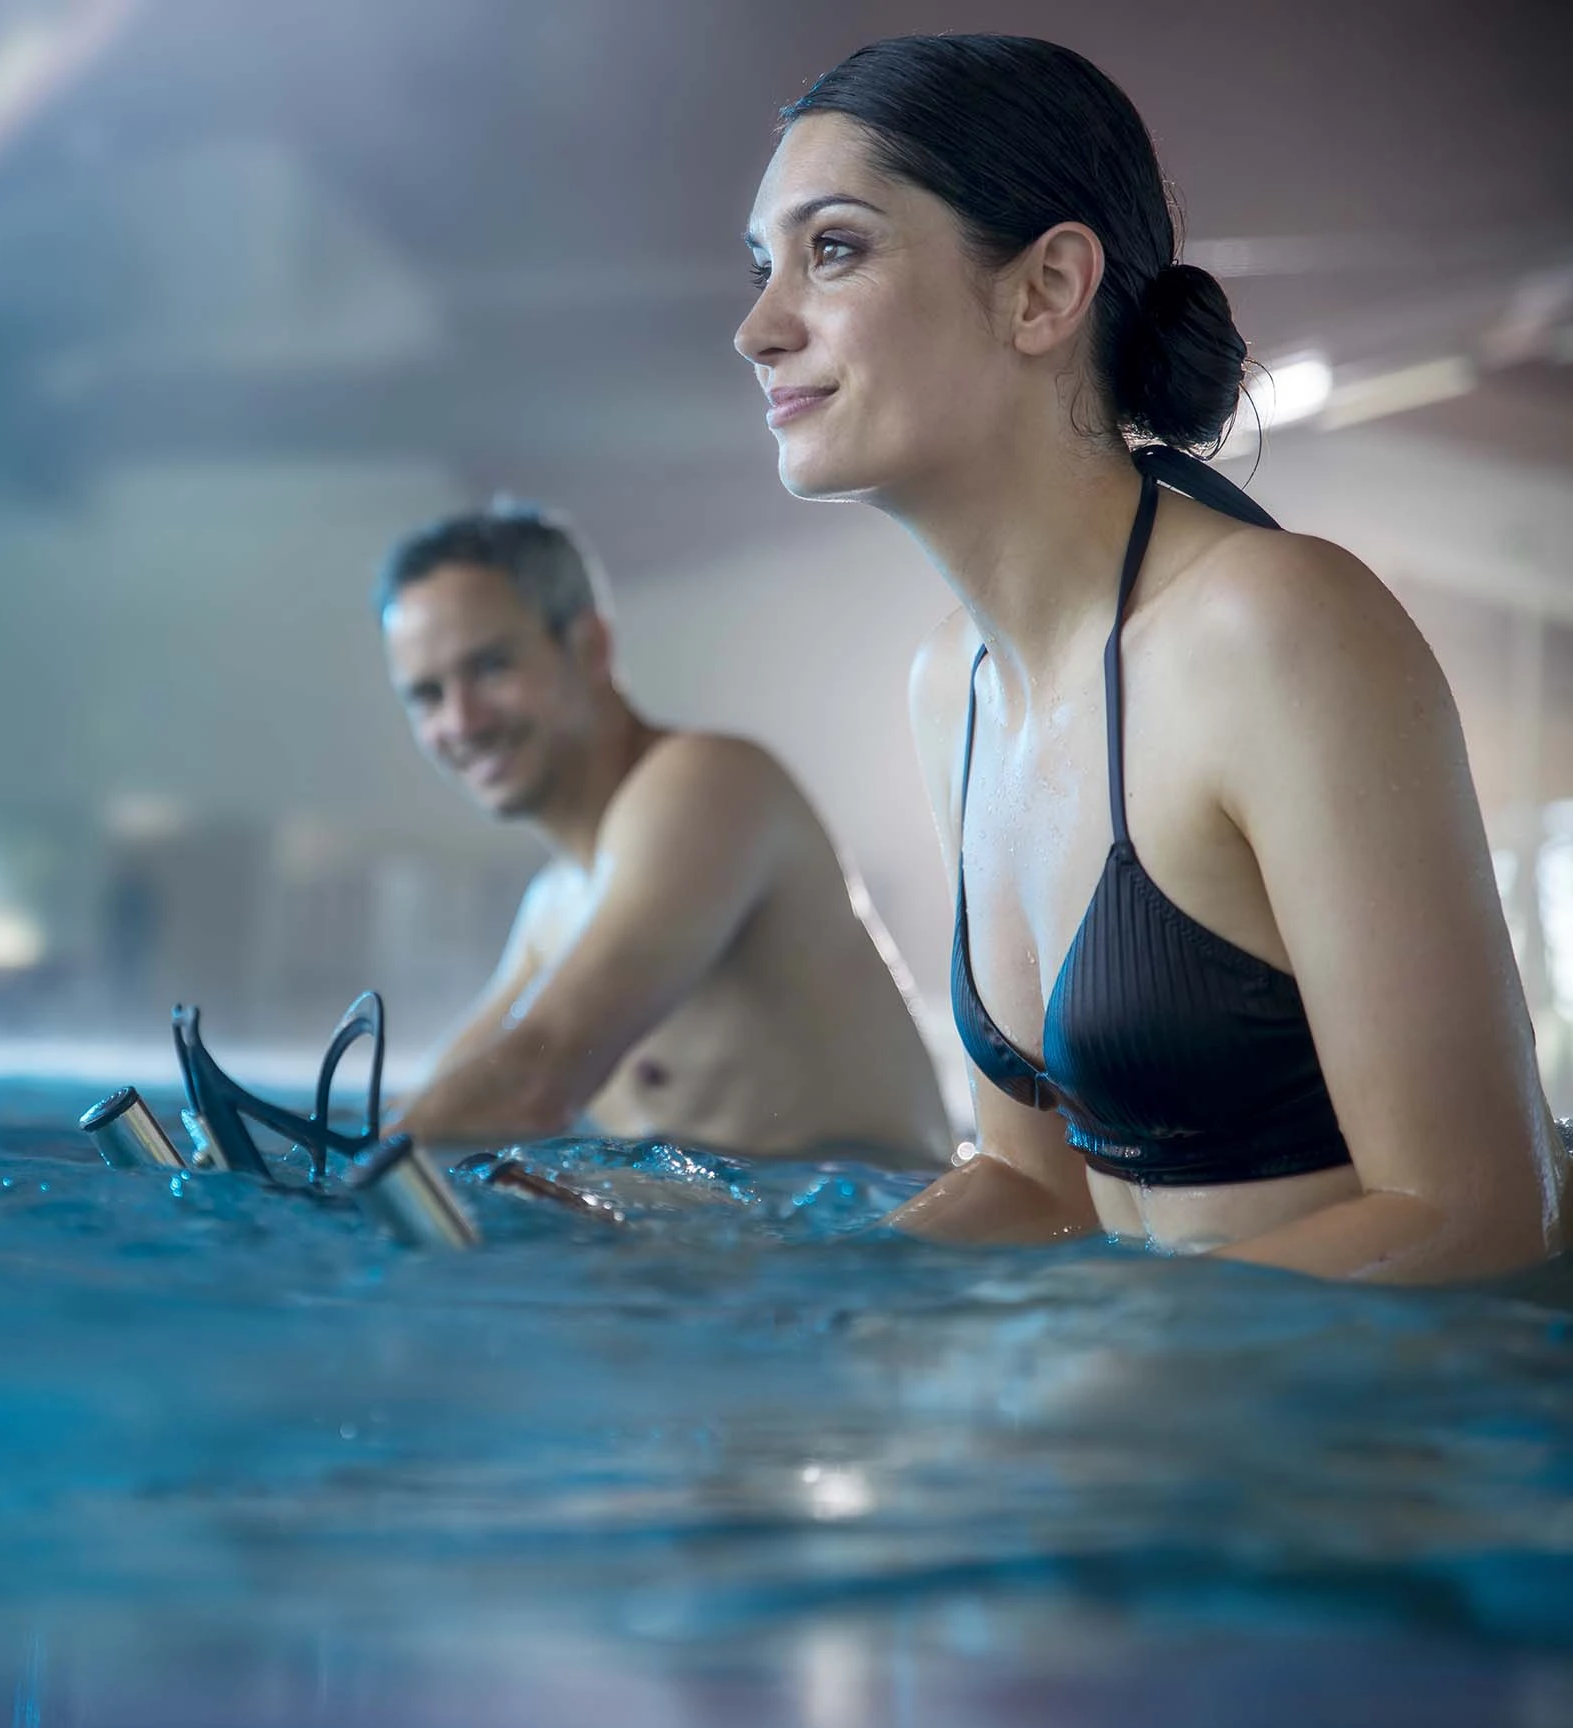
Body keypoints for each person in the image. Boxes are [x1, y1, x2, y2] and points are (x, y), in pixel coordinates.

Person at [734, 34, 1567, 1282]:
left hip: (1401, 1444)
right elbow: (1036, 1183)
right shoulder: (950, 685)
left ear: (1044, 289)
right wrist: (792, 1298)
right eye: (760, 268)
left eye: (832, 248)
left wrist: (1104, 1377)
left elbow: (1479, 1211)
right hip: (1180, 1433)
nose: (758, 327)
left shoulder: (1272, 628)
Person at [375, 503, 953, 1164]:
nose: (461, 720)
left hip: (875, 1247)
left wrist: (338, 1185)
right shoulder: (554, 908)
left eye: (490, 667)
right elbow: (450, 1096)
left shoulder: (708, 783)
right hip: (748, 1243)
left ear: (590, 646)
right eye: (426, 695)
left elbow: (532, 1082)